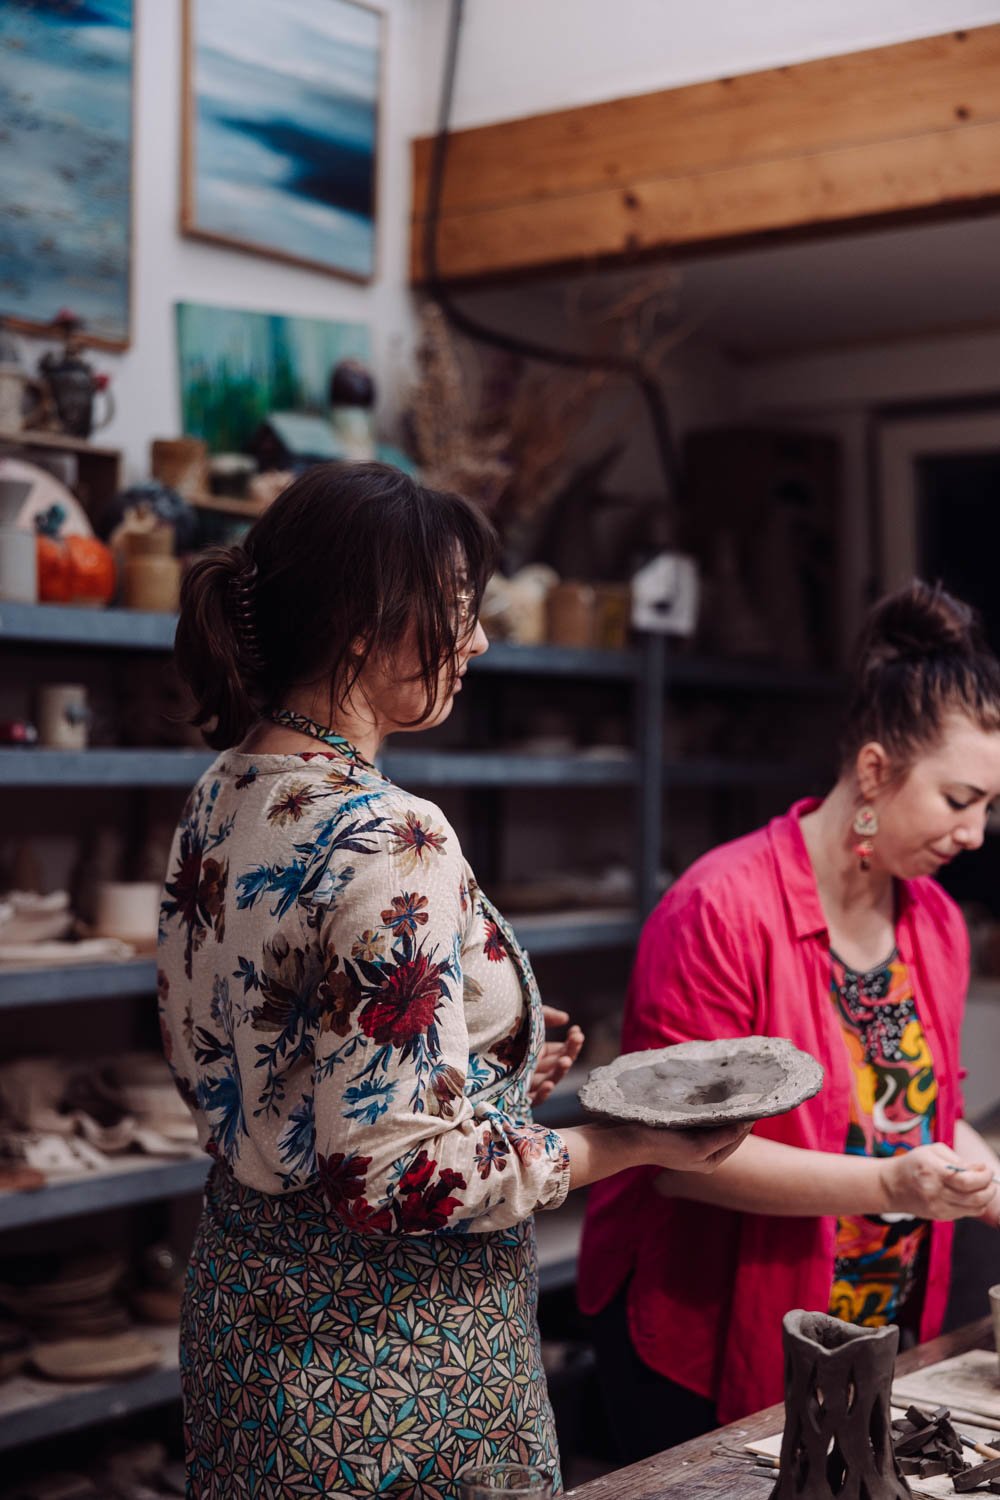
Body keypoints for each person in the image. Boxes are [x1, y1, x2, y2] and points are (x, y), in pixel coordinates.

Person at [157, 462, 748, 1500]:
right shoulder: (391, 831)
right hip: (390, 1351)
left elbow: (280, 1039)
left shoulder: (226, 789)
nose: (475, 641)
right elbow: (390, 1174)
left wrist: (483, 1058)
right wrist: (628, 1143)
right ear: (360, 623)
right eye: (457, 611)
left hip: (247, 1309)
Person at [578, 580, 1000, 1464]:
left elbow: (922, 1114)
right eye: (961, 800)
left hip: (876, 1319)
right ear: (877, 772)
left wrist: (978, 1174)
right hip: (714, 1331)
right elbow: (675, 1162)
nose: (976, 834)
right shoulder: (720, 908)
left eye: (989, 808)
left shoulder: (935, 922)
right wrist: (892, 1187)